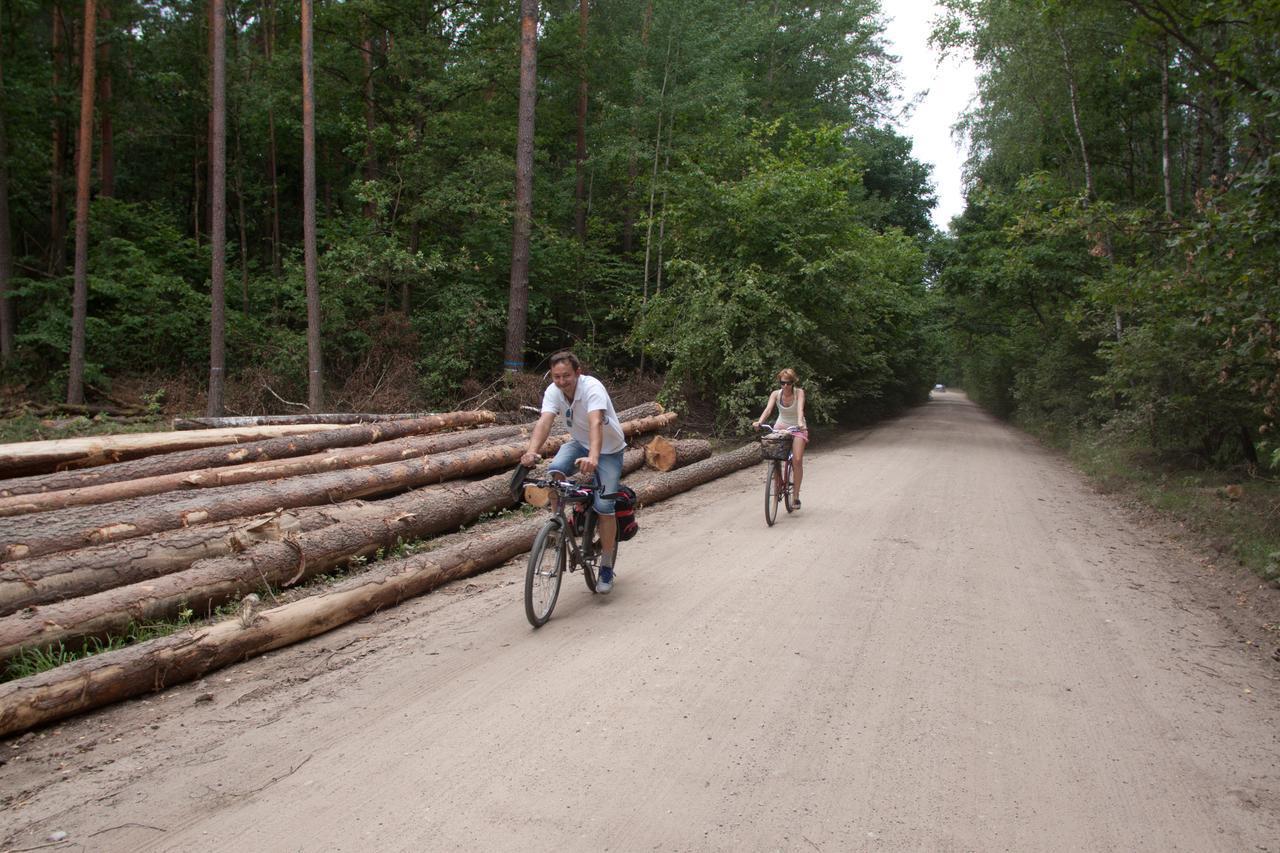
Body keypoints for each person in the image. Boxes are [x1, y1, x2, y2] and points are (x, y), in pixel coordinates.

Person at [520, 351, 627, 593]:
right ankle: (558, 523)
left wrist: (594, 458)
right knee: (554, 473)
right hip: (580, 442)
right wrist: (531, 451)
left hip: (608, 449)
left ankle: (607, 565)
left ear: (577, 373)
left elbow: (595, 422)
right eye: (556, 376)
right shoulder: (553, 391)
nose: (561, 381)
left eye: (566, 376)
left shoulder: (592, 388)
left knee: (605, 507)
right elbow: (545, 421)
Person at [751, 368, 809, 509]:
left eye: (788, 383)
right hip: (780, 426)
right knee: (774, 456)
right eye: (782, 383)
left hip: (797, 427)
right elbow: (768, 410)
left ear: (793, 383)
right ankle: (778, 485)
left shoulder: (799, 393)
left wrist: (801, 423)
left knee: (797, 459)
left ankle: (795, 497)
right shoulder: (776, 394)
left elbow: (800, 410)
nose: (785, 386)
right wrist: (759, 421)